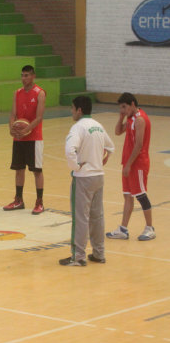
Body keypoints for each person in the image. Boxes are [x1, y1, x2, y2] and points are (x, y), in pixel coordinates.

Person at [59, 96, 115, 266]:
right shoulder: (98, 126)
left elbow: (70, 151)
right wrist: (104, 159)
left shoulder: (77, 128)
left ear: (79, 110)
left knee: (80, 218)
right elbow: (111, 146)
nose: (71, 111)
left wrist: (75, 167)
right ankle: (99, 253)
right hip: (99, 176)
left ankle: (78, 256)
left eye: (72, 108)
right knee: (97, 217)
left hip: (84, 178)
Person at [106, 92, 156, 241]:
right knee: (127, 195)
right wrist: (121, 117)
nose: (122, 110)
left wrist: (128, 165)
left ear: (132, 104)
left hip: (138, 163)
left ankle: (150, 228)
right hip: (128, 162)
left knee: (140, 195)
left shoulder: (140, 119)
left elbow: (139, 145)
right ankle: (123, 229)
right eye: (121, 107)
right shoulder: (129, 118)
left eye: (124, 107)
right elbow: (117, 132)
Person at [3, 65, 46, 215]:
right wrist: (11, 128)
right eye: (22, 75)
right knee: (19, 169)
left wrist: (27, 129)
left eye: (27, 75)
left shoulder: (39, 93)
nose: (24, 78)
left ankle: (39, 202)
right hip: (19, 138)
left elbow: (39, 117)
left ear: (33, 76)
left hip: (34, 139)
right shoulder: (17, 93)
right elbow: (12, 115)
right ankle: (18, 200)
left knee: (37, 171)